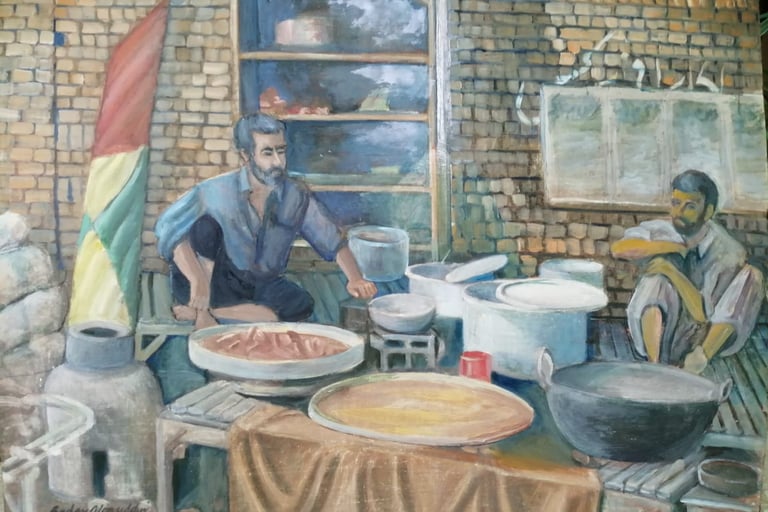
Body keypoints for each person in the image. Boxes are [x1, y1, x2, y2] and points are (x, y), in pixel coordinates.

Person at [155, 112, 378, 330]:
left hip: (259, 283)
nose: (278, 162)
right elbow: (168, 229)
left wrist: (355, 278)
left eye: (281, 151)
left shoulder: (295, 194)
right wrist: (197, 280)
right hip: (211, 280)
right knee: (205, 227)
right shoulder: (215, 190)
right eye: (268, 153)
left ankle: (209, 314)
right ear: (246, 155)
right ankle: (204, 309)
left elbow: (331, 238)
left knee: (301, 304)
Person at [611, 169, 764, 374]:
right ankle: (654, 366)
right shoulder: (665, 229)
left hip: (704, 339)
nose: (679, 212)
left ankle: (696, 362)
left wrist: (672, 272)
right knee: (656, 276)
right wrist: (674, 247)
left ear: (708, 212)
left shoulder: (726, 250)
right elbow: (619, 249)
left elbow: (702, 314)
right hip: (663, 334)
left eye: (690, 206)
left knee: (752, 276)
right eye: (676, 203)